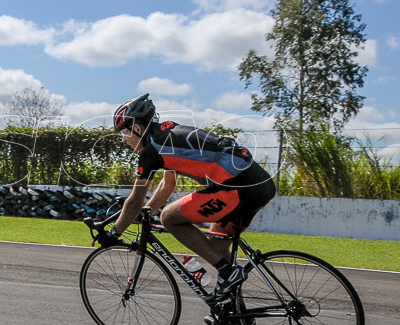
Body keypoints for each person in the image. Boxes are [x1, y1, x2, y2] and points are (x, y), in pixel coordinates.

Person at [98, 93, 276, 300]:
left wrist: (113, 233)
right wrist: (148, 210)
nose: (123, 139)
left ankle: (229, 275)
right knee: (215, 248)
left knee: (170, 217)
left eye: (124, 132)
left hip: (236, 189)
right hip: (260, 185)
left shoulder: (152, 152)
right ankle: (235, 309)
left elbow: (135, 200)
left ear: (137, 129)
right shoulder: (169, 134)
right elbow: (167, 184)